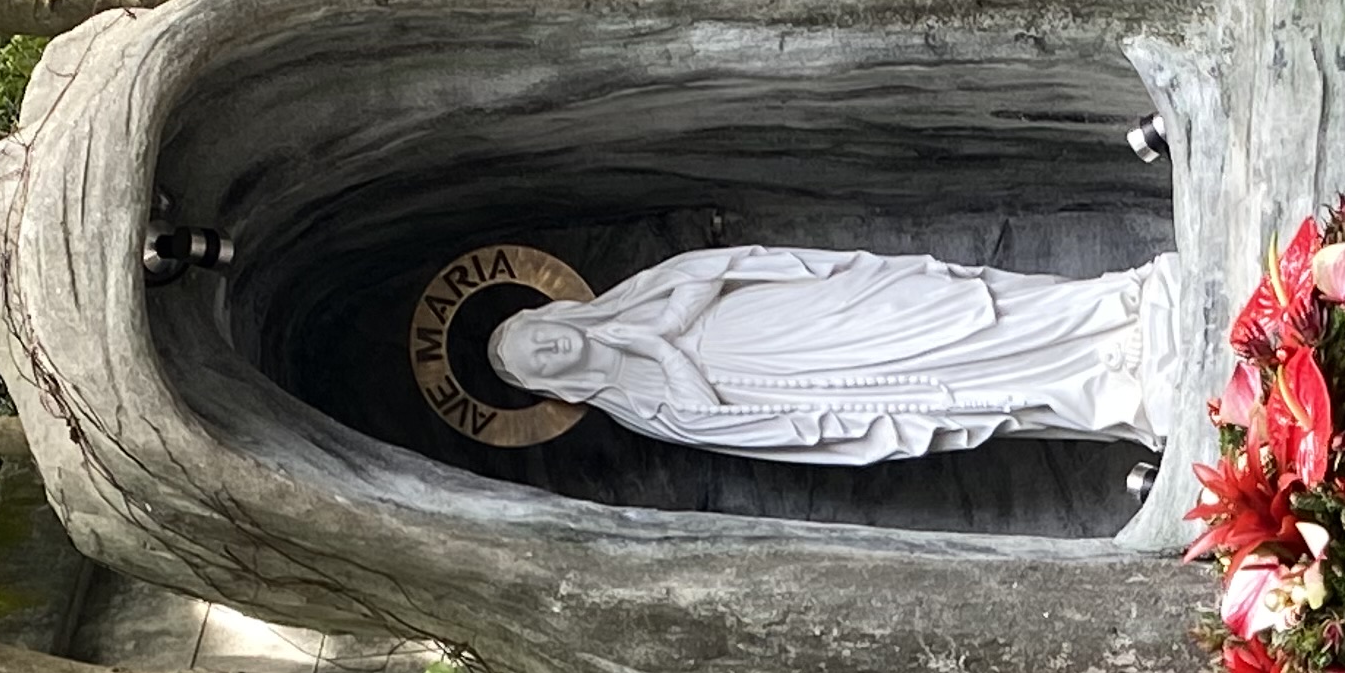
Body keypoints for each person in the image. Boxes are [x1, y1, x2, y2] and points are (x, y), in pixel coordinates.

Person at [488, 243, 1183, 465]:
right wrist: (650, 344)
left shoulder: (634, 294)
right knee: (956, 383)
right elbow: (713, 418)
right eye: (540, 359)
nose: (550, 345)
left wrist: (653, 324)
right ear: (555, 384)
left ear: (553, 310)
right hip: (815, 385)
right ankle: (1109, 385)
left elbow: (708, 271)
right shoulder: (635, 404)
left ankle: (1112, 308)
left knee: (954, 313)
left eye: (537, 331)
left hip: (803, 317)